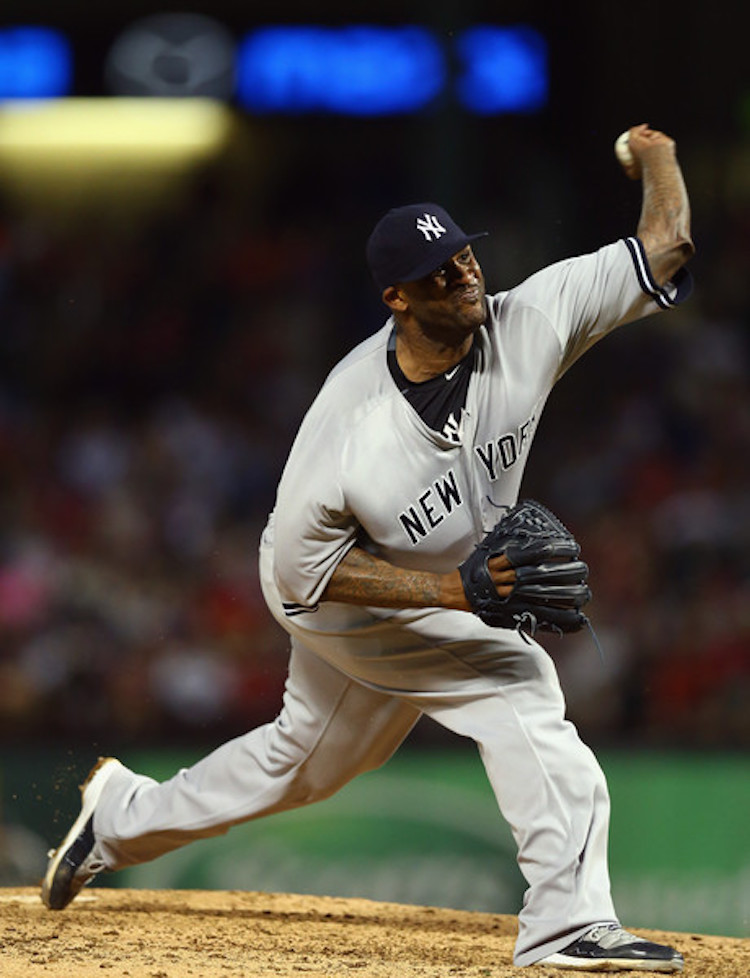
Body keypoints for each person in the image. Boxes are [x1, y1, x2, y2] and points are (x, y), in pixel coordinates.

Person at [42, 123, 694, 972]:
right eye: (438, 273)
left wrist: (658, 156)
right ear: (397, 298)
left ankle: (118, 817)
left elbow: (666, 246)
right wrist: (460, 595)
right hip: (334, 592)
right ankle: (566, 922)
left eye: (464, 256)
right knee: (517, 681)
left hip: (439, 578)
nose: (463, 275)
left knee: (306, 763)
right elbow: (298, 573)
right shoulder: (352, 431)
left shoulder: (528, 320)